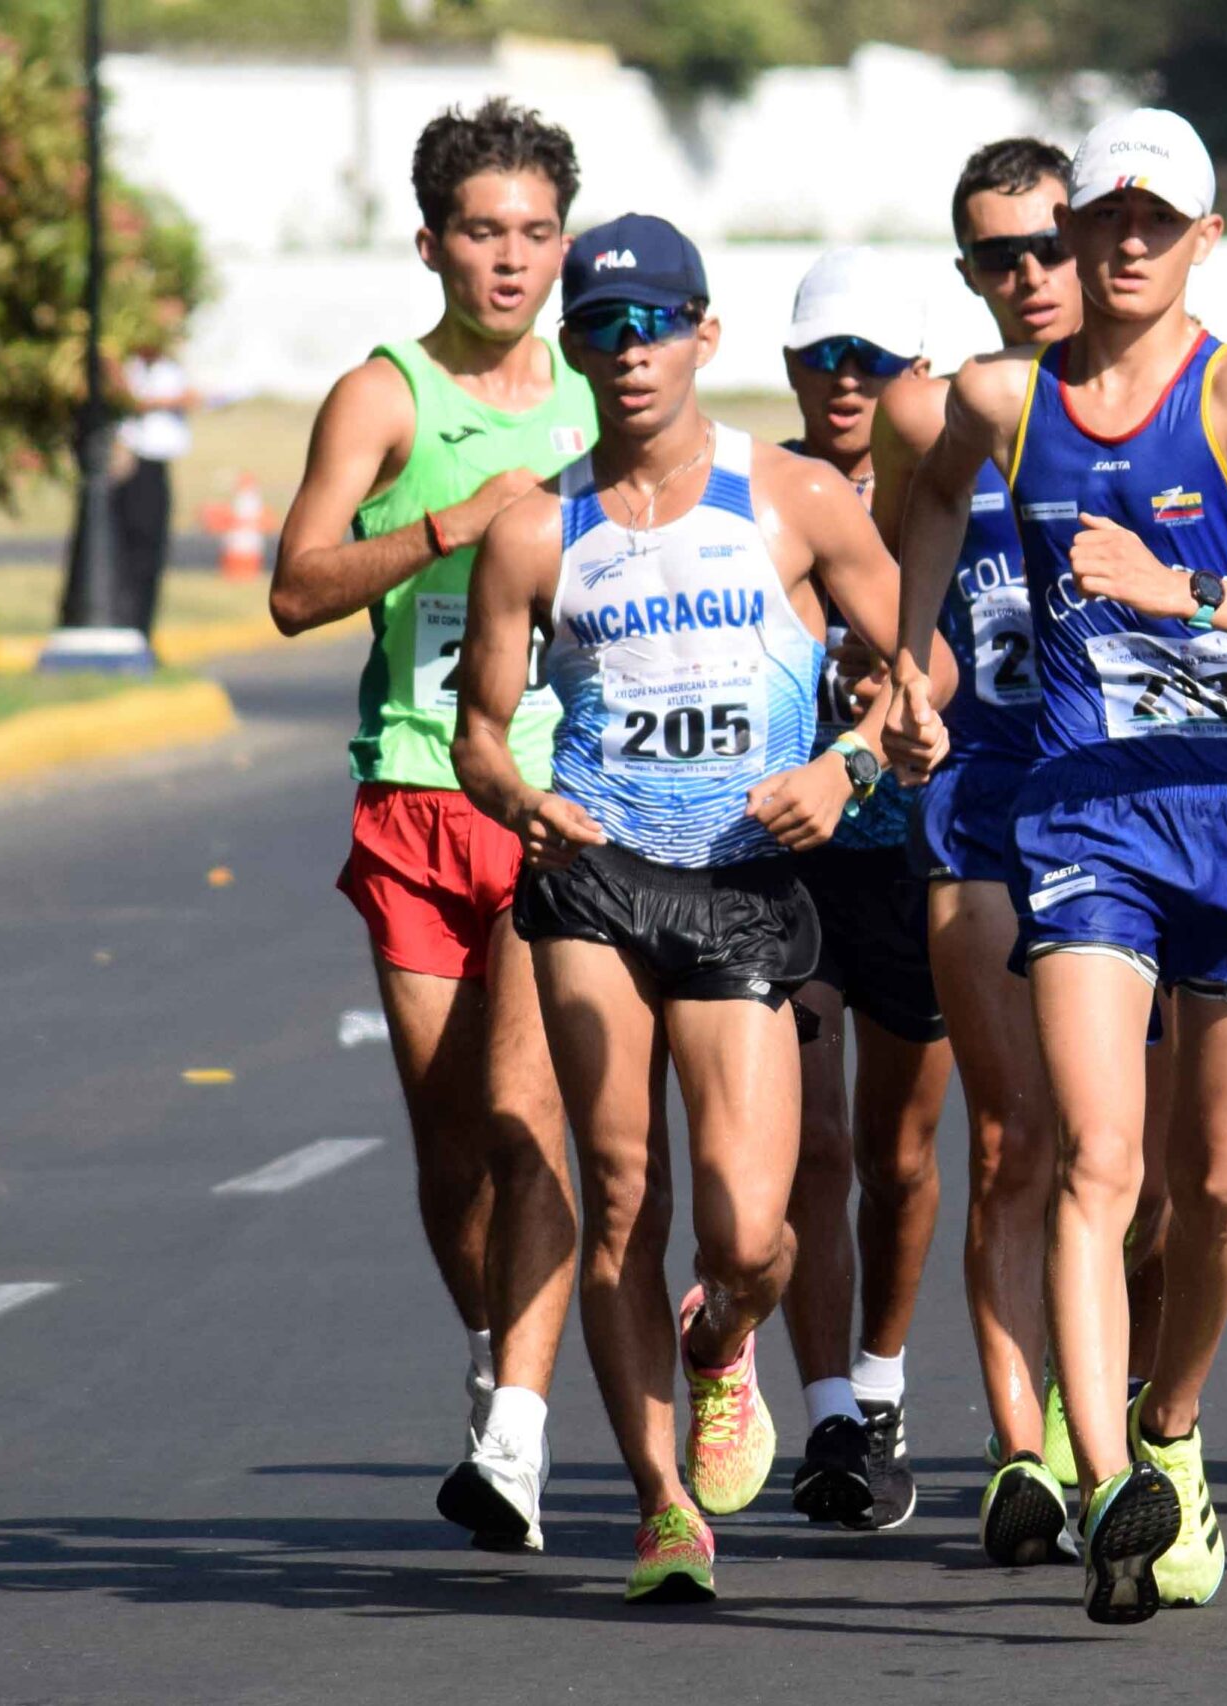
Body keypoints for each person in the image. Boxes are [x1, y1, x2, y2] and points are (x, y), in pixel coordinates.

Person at [884, 108, 1227, 1624]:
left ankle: (1173, 1426)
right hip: (1085, 821)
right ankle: (1118, 1482)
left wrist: (1190, 591)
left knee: (1216, 1182)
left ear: (1204, 240)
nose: (1118, 245)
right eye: (1098, 219)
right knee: (1095, 1159)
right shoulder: (1003, 396)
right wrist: (909, 661)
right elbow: (921, 496)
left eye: (1152, 222)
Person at [450, 213, 911, 1603]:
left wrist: (849, 767)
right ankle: (663, 1508)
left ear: (705, 334)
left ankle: (725, 1343)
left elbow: (914, 674)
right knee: (620, 1190)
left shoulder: (796, 501)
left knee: (750, 1230)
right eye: (602, 326)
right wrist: (521, 801)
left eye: (655, 322)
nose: (630, 348)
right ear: (572, 346)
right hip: (595, 881)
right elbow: (479, 728)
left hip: (745, 886)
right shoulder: (536, 528)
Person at [269, 98, 590, 1554]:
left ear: (563, 244)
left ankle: (517, 1434)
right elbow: (296, 586)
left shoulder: (601, 390)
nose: (507, 258)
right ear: (431, 242)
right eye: (480, 230)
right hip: (416, 793)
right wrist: (450, 527)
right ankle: (491, 1345)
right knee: (452, 1147)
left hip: (557, 800)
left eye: (532, 232)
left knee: (534, 1128)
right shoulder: (385, 393)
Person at [869, 137, 1084, 1567]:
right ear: (967, 274)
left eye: (1049, 243)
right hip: (984, 804)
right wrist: (901, 681)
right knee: (1012, 1138)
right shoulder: (925, 413)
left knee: (1177, 1163)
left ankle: (1139, 1395)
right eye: (998, 254)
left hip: (1147, 807)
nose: (1030, 273)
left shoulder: (1183, 398)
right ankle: (1022, 1452)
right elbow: (910, 584)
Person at [767, 247, 952, 1536]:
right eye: (822, 357)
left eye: (871, 362)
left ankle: (881, 1378)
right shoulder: (756, 496)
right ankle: (831, 1408)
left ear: (915, 375)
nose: (844, 381)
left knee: (898, 1154)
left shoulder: (950, 495)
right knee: (814, 1146)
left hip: (926, 857)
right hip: (790, 861)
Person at [111, 299, 198, 635]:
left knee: (151, 554)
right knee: (131, 552)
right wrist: (170, 400)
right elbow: (129, 398)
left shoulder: (169, 365)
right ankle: (128, 629)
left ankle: (142, 631)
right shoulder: (128, 361)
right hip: (133, 463)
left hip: (158, 463)